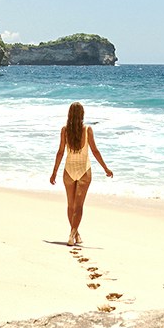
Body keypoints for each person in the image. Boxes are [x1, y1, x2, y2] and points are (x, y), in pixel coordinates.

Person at [48, 101, 113, 246]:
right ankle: (72, 233)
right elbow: (95, 151)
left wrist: (54, 173)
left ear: (69, 115)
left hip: (68, 171)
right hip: (84, 171)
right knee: (79, 206)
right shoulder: (87, 130)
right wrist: (106, 168)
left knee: (71, 205)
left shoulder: (65, 130)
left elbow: (60, 152)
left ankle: (74, 233)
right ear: (82, 115)